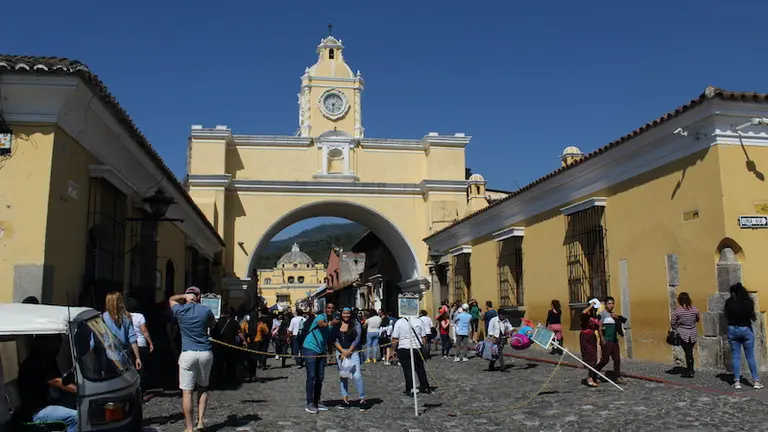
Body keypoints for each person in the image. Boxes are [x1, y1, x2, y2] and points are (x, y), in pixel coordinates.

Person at [170, 287, 216, 432]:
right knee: (203, 388)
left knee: (187, 392)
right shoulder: (205, 310)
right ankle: (201, 421)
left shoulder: (180, 310)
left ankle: (189, 428)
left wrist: (183, 295)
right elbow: (212, 324)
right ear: (199, 296)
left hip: (188, 353)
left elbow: (171, 299)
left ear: (188, 296)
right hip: (204, 353)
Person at [17, 335, 78, 432]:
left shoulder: (48, 361)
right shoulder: (33, 363)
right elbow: (57, 381)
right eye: (55, 342)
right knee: (77, 417)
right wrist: (80, 390)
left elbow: (62, 379)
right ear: (44, 342)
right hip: (36, 412)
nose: (58, 346)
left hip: (49, 403)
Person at [725, 283, 763, 389]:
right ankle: (755, 381)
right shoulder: (748, 302)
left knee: (736, 357)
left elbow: (726, 316)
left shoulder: (729, 302)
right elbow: (751, 316)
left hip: (733, 329)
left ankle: (737, 382)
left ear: (733, 292)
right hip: (745, 329)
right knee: (750, 356)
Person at [303, 302, 339, 414]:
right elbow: (321, 324)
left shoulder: (331, 323)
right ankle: (309, 403)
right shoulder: (320, 317)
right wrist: (331, 323)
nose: (330, 310)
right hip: (310, 347)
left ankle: (316, 401)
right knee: (312, 375)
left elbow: (328, 338)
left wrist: (330, 353)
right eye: (329, 308)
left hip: (321, 350)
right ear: (325, 309)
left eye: (332, 308)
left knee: (320, 377)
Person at [333, 308, 368, 411]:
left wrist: (349, 351)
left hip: (353, 352)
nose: (346, 315)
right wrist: (342, 351)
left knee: (357, 375)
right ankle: (345, 399)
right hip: (340, 352)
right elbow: (335, 339)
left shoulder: (355, 324)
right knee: (343, 376)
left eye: (348, 313)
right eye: (344, 313)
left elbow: (357, 338)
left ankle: (362, 399)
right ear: (341, 314)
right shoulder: (337, 324)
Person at [102, 292, 142, 371]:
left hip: (109, 357)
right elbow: (132, 338)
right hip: (125, 357)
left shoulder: (104, 317)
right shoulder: (127, 317)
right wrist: (137, 357)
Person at [391, 316, 431, 396]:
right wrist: (423, 348)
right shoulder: (419, 321)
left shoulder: (399, 322)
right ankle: (425, 386)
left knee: (407, 370)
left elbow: (395, 338)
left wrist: (393, 350)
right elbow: (424, 337)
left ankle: (410, 389)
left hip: (404, 347)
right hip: (416, 348)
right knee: (420, 369)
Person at [595, 296, 625, 384]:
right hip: (607, 340)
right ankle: (594, 372)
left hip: (614, 341)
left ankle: (617, 376)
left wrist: (617, 318)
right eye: (609, 303)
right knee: (605, 360)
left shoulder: (614, 314)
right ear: (605, 305)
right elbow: (599, 327)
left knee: (617, 359)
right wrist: (602, 339)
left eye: (612, 303)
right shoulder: (603, 314)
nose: (611, 305)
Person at [127, 299, 155, 392]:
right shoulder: (140, 316)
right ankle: (140, 387)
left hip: (130, 344)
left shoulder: (124, 316)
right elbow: (144, 330)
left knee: (131, 366)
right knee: (141, 367)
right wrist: (150, 342)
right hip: (141, 343)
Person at [671, 292, 699, 378]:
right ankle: (690, 369)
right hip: (693, 332)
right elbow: (697, 319)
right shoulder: (694, 309)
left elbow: (673, 322)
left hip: (683, 333)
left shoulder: (678, 311)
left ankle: (690, 371)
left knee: (688, 352)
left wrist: (676, 327)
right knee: (689, 351)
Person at [580, 304, 601, 387]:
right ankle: (590, 378)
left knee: (594, 358)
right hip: (586, 338)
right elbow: (583, 312)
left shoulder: (594, 317)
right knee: (590, 357)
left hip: (592, 338)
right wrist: (592, 304)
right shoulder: (585, 317)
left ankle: (592, 376)